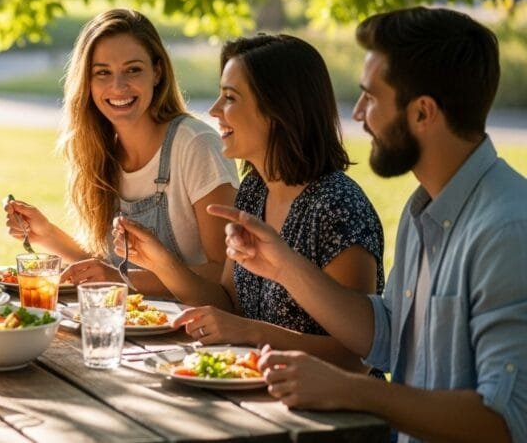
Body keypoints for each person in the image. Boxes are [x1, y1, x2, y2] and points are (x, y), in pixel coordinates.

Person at [211, 7, 526, 443]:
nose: (358, 114)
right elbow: (387, 335)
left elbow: (505, 422)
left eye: (371, 98)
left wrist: (350, 389)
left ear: (423, 113)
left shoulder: (506, 230)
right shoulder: (423, 210)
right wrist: (282, 266)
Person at [116, 34, 383, 371]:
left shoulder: (338, 207)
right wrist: (161, 263)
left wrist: (251, 333)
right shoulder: (255, 191)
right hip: (258, 391)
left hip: (332, 404)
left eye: (230, 97)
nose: (214, 110)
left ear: (278, 109)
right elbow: (228, 302)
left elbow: (358, 356)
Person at [4, 9, 238, 294]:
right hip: (127, 317)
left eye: (133, 70)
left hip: (194, 319)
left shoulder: (196, 145)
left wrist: (122, 280)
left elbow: (226, 273)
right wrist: (47, 234)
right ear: (87, 82)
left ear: (157, 72)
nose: (118, 86)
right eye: (103, 72)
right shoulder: (100, 151)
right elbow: (106, 270)